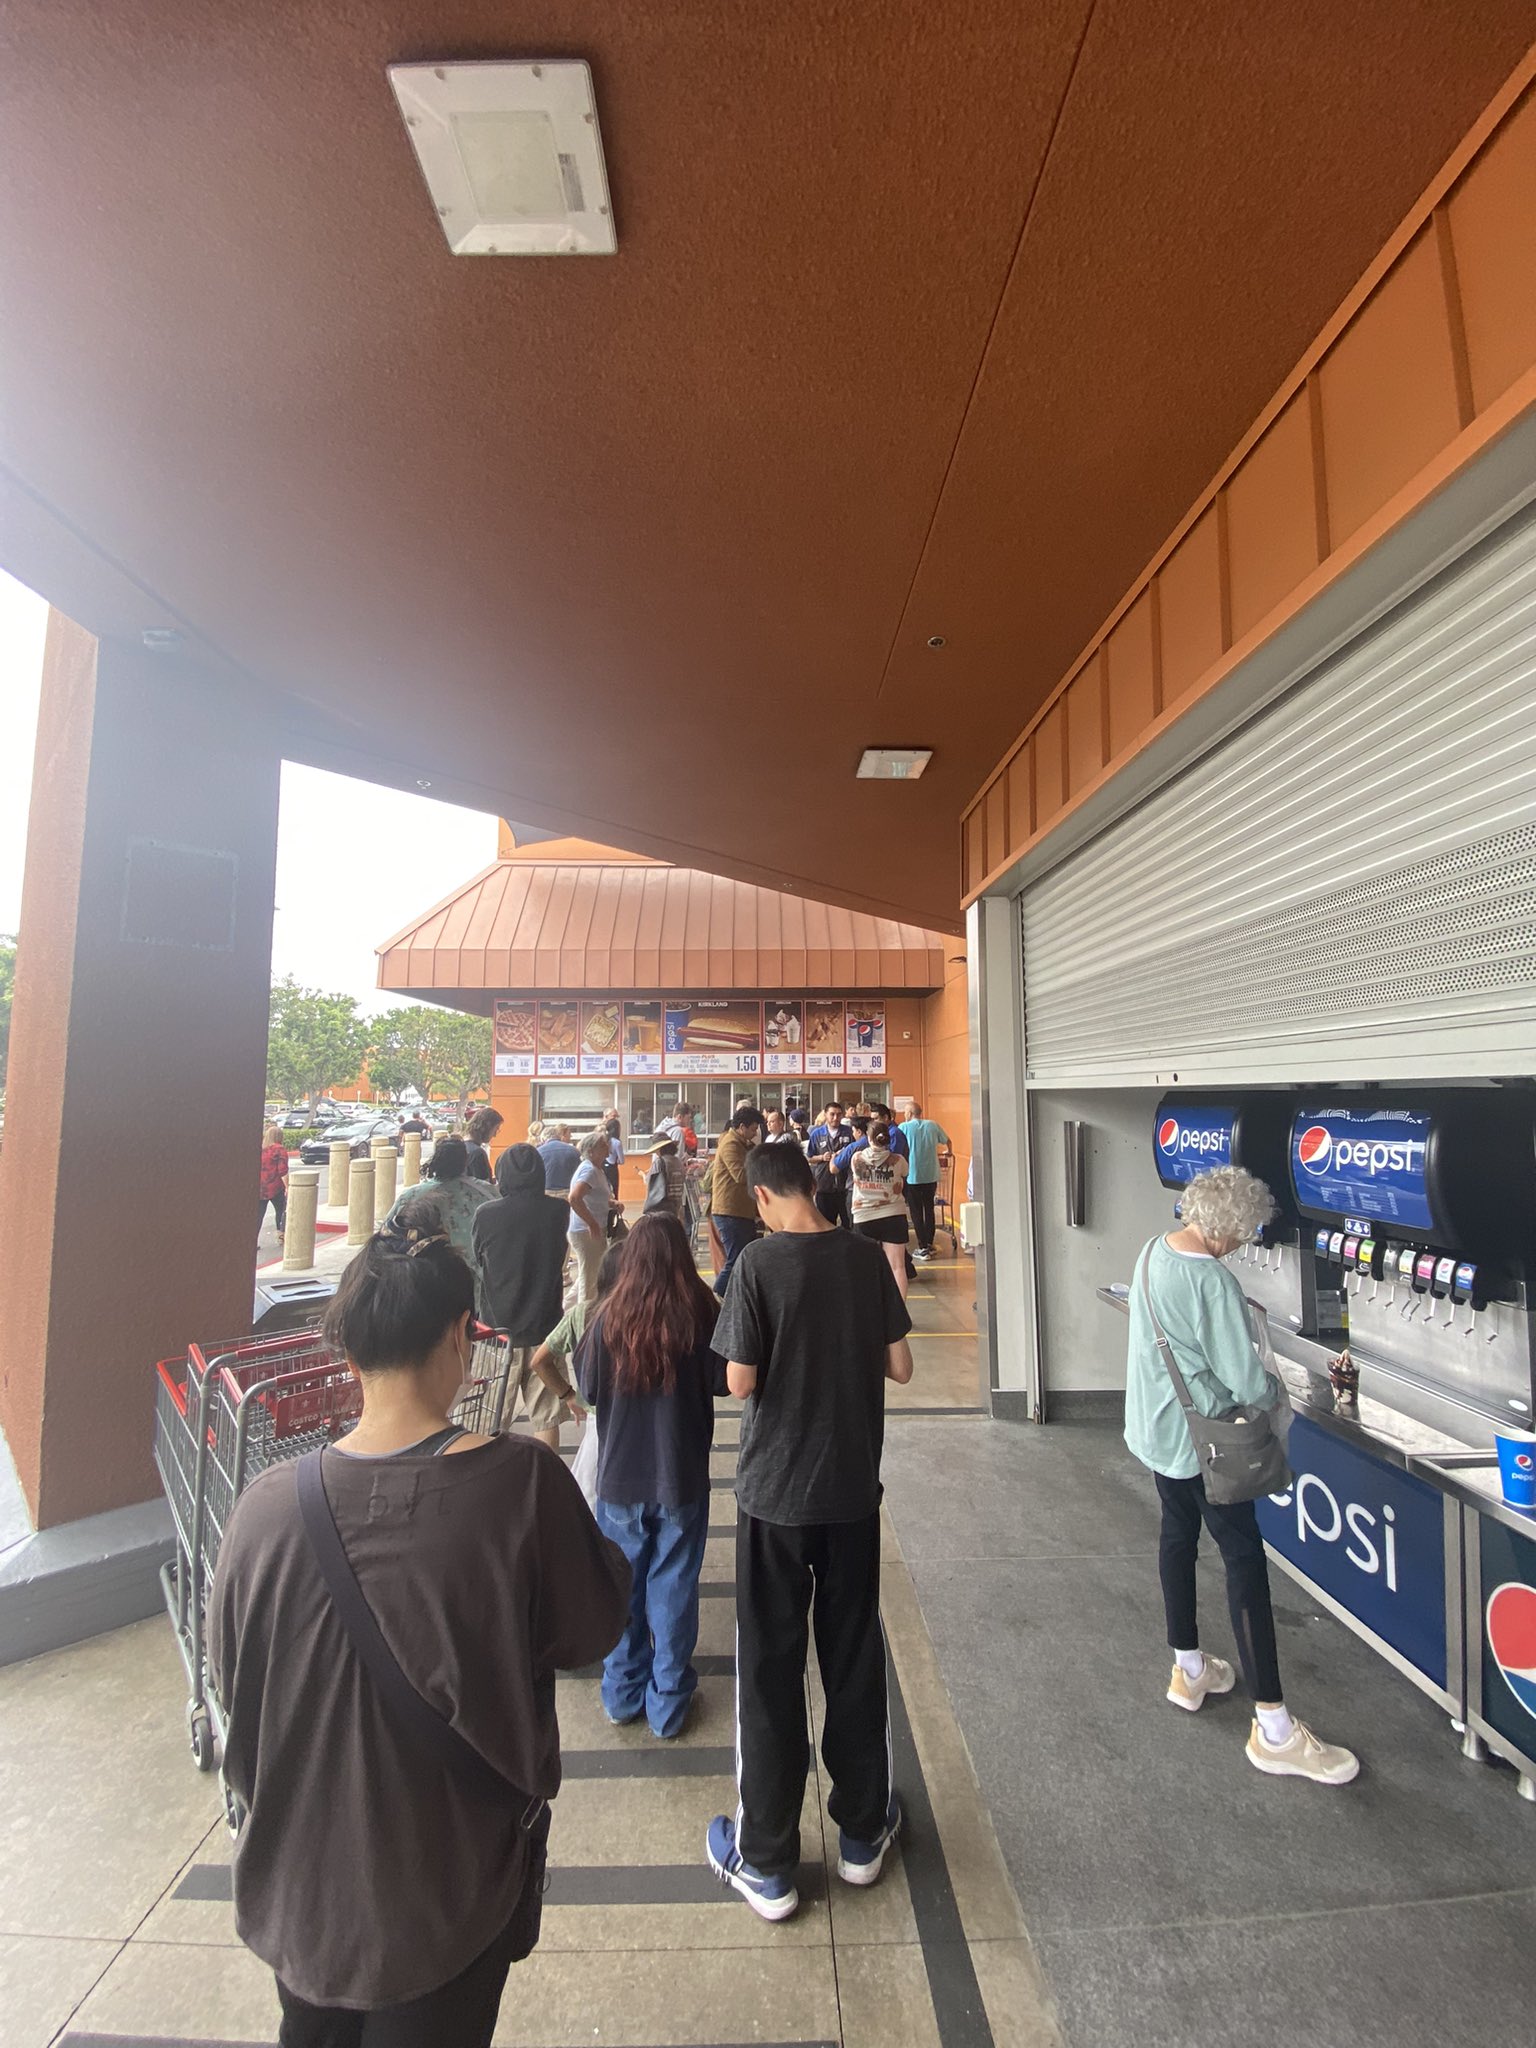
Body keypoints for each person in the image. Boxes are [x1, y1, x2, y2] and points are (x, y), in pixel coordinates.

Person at [207, 1196, 630, 2040]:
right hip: (450, 1890)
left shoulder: (264, 1509)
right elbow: (591, 1629)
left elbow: (234, 1681)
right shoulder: (521, 1484)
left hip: (301, 1894)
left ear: (351, 1348)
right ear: (459, 1337)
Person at [705, 1143, 913, 1919]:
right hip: (851, 1492)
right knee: (854, 1654)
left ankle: (767, 1861)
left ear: (761, 1197)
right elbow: (901, 1368)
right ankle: (862, 1834)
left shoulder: (758, 1266)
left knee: (769, 1668)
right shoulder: (863, 1258)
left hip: (773, 1498)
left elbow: (739, 1379)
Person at [1126, 1165, 1358, 1786]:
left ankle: (1189, 1667)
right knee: (1244, 1565)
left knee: (1176, 1540)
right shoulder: (1212, 1280)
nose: (1247, 1242)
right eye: (1248, 1231)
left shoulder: (1154, 1250)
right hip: (1209, 1448)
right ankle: (1274, 1728)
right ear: (1229, 1229)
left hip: (1158, 1434)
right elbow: (1246, 1381)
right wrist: (1282, 1390)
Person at [574, 1214, 727, 1737]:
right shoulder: (701, 1311)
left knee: (623, 1590)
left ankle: (621, 1692)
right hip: (681, 1478)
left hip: (619, 1482)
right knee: (674, 1589)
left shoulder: (606, 1316)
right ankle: (668, 1702)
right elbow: (725, 1382)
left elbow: (589, 1390)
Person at [472, 1144, 574, 1451]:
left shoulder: (486, 1215)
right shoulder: (558, 1211)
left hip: (497, 1332)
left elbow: (479, 1259)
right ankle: (547, 1481)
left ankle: (492, 1486)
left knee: (491, 1419)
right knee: (547, 1417)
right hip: (545, 1328)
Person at [527, 1240, 627, 1417]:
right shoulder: (647, 1319)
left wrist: (568, 1395)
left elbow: (539, 1362)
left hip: (596, 1416)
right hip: (633, 1417)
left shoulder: (581, 1313)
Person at [383, 1134, 492, 1260]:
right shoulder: (485, 1192)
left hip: (423, 1270)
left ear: (436, 1157)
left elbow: (386, 1232)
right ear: (465, 1160)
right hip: (476, 1272)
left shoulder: (411, 1196)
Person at [847, 1121, 911, 1300]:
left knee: (864, 1267)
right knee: (897, 1266)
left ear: (868, 1138)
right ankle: (900, 1314)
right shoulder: (899, 1160)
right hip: (893, 1214)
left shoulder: (856, 1158)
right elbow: (905, 1173)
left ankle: (868, 1310)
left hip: (863, 1215)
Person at [709, 1105, 766, 1297]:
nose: (755, 1132)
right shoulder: (730, 1144)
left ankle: (739, 1295)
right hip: (729, 1211)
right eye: (753, 1128)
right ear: (742, 1127)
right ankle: (716, 1296)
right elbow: (741, 1176)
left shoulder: (743, 1144)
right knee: (735, 1259)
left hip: (742, 1211)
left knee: (744, 1257)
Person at [897, 1100, 951, 1262]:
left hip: (912, 1176)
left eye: (906, 1112)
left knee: (916, 1211)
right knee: (929, 1209)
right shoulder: (933, 1125)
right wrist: (949, 1152)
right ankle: (929, 1241)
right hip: (931, 1175)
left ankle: (922, 1247)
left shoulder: (903, 1128)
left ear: (910, 1113)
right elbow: (947, 1140)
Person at [568, 1130, 616, 1305]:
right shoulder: (589, 1170)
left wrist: (611, 1204)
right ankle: (584, 1319)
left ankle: (567, 1310)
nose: (607, 1147)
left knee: (587, 1273)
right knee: (590, 1280)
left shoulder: (596, 1170)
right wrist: (592, 1224)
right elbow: (574, 1198)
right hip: (586, 1232)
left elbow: (595, 1197)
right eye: (603, 1145)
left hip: (589, 1229)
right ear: (591, 1151)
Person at [806, 1102, 853, 1228]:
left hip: (845, 1187)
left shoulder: (848, 1132)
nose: (835, 1118)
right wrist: (822, 1157)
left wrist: (844, 1155)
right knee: (825, 1225)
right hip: (824, 1186)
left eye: (838, 1115)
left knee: (848, 1224)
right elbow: (809, 1157)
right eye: (832, 1114)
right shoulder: (817, 1134)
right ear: (825, 1114)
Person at [642, 1131, 688, 1220]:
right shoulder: (678, 1162)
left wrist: (644, 1176)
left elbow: (650, 1182)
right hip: (676, 1207)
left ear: (660, 1149)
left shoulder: (659, 1162)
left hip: (661, 1208)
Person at [258, 1124, 289, 1245]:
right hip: (275, 1187)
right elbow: (282, 1171)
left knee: (258, 1216)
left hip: (260, 1188)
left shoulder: (262, 1149)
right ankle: (281, 1236)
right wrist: (288, 1186)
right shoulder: (279, 1149)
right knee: (281, 1211)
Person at [537, 1123, 581, 1198]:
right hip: (568, 1192)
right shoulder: (574, 1151)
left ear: (544, 1139)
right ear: (558, 1136)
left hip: (546, 1192)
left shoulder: (539, 1151)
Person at [464, 1107, 503, 1184]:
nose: (494, 1135)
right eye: (495, 1129)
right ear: (486, 1127)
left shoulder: (461, 1146)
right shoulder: (477, 1153)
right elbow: (483, 1185)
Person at [601, 1107, 624, 1199]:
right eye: (613, 1116)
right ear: (606, 1116)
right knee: (613, 1191)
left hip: (601, 1166)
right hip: (610, 1167)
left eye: (617, 1117)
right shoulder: (615, 1141)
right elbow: (621, 1161)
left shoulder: (603, 1137)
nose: (615, 1119)